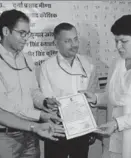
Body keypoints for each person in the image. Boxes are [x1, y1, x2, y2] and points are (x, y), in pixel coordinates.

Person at [0, 9, 64, 158]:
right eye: (22, 33)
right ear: (6, 31)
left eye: (28, 33)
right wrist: (40, 116)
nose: (26, 38)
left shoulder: (27, 58)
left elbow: (33, 91)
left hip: (31, 134)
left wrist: (44, 101)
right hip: (5, 138)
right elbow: (3, 106)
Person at [81, 15, 131, 158]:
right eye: (116, 41)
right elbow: (112, 95)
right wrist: (95, 98)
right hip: (112, 141)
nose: (118, 46)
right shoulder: (117, 63)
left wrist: (117, 123)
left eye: (123, 41)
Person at [39, 22, 97, 158]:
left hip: (82, 129)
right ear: (56, 43)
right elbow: (47, 102)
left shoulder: (88, 64)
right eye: (68, 41)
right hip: (57, 130)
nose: (74, 44)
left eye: (76, 39)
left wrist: (92, 127)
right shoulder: (47, 67)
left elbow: (92, 99)